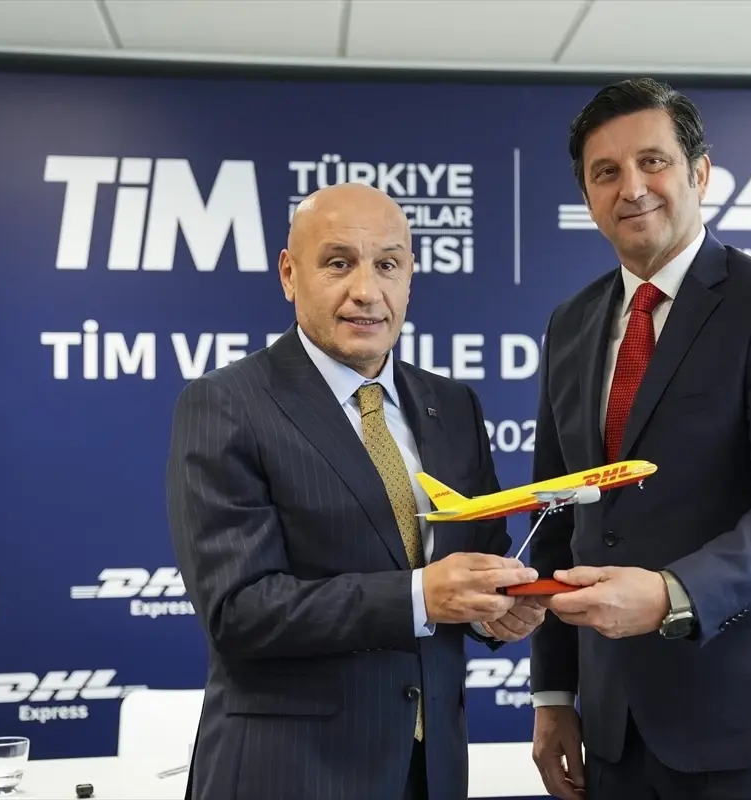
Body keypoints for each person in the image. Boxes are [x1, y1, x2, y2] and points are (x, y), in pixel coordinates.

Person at [527, 78, 751, 800]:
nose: (631, 188)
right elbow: (556, 514)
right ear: (587, 198)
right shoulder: (570, 324)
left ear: (699, 173)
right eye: (605, 172)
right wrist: (553, 694)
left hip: (749, 722)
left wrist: (671, 593)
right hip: (613, 728)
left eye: (653, 161)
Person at [165, 182, 545, 800]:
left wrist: (501, 612)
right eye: (339, 263)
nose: (367, 290)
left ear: (410, 276)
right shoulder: (226, 404)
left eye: (388, 265)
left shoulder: (453, 406)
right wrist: (421, 596)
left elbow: (476, 562)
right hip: (289, 777)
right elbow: (239, 611)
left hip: (431, 771)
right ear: (290, 274)